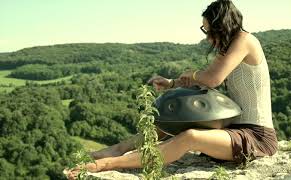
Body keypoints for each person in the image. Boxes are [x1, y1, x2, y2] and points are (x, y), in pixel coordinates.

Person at [67, 0, 278, 178]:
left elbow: (212, 78)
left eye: (208, 30)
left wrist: (194, 74)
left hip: (256, 137)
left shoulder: (245, 40)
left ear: (221, 26)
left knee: (190, 136)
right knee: (164, 125)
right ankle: (118, 149)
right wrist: (172, 83)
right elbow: (201, 81)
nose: (207, 37)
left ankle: (109, 164)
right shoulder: (229, 47)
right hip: (233, 130)